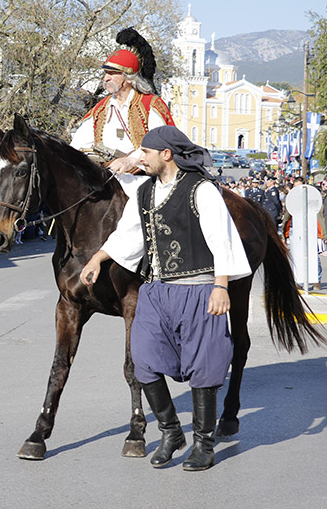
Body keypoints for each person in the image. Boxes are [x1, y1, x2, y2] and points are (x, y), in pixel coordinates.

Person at [79, 126, 251, 471]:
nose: (140, 157)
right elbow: (127, 235)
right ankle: (171, 431)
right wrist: (97, 259)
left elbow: (221, 238)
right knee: (143, 359)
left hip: (199, 288)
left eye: (145, 152)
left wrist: (221, 286)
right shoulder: (144, 192)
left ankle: (203, 444)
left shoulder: (201, 189)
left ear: (166, 154)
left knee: (204, 366)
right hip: (156, 290)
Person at [70, 28, 176, 194]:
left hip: (145, 180)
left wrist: (132, 160)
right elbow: (77, 145)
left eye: (113, 73)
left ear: (129, 77)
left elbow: (162, 143)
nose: (106, 78)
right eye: (106, 73)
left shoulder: (151, 105)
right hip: (106, 180)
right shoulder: (101, 108)